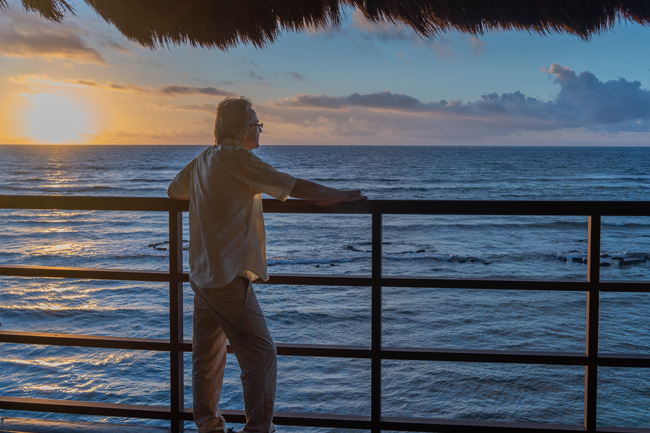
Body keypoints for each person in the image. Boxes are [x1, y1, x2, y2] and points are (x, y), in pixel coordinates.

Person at [167, 96, 366, 433]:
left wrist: (210, 190)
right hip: (226, 275)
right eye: (256, 124)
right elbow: (292, 186)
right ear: (242, 130)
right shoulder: (237, 159)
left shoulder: (206, 159)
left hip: (201, 272)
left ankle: (207, 424)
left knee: (207, 355)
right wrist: (343, 195)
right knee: (261, 353)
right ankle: (258, 428)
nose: (259, 130)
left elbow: (174, 191)